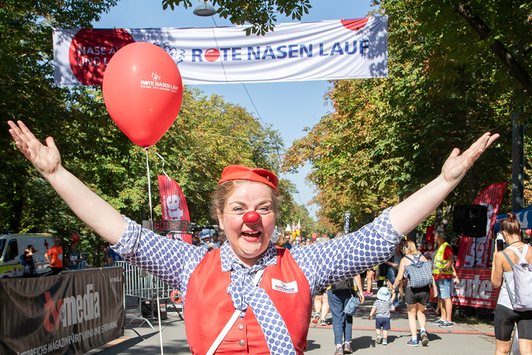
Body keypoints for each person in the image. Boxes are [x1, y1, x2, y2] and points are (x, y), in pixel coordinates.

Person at [7, 120, 498, 355]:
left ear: (275, 219)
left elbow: (379, 233)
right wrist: (57, 175)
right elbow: (119, 229)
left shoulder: (304, 264)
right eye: (239, 208)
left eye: (263, 209)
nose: (252, 218)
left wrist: (446, 182)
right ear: (220, 217)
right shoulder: (189, 264)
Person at [491, 213, 532, 355]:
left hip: (506, 305)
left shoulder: (501, 255)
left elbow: (495, 283)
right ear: (519, 231)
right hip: (527, 306)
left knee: (502, 350)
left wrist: (494, 259)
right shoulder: (531, 251)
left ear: (504, 233)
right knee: (527, 350)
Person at [393, 239, 437, 347]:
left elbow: (399, 277)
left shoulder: (405, 260)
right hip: (425, 289)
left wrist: (393, 287)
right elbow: (430, 274)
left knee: (411, 314)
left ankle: (414, 339)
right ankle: (422, 331)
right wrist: (434, 288)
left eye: (404, 247)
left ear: (407, 248)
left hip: (412, 288)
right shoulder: (423, 257)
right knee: (421, 312)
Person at [328, 274, 364, 355]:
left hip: (333, 290)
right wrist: (360, 291)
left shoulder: (330, 261)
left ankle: (339, 346)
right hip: (349, 289)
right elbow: (356, 274)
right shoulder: (349, 260)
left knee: (337, 318)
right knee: (348, 316)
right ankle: (347, 343)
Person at [432, 230, 455, 328]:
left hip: (444, 276)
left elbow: (451, 258)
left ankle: (448, 319)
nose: (434, 238)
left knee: (446, 297)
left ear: (439, 236)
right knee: (441, 297)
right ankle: (443, 317)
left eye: (435, 236)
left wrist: (444, 269)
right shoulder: (441, 247)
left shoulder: (446, 246)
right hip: (439, 276)